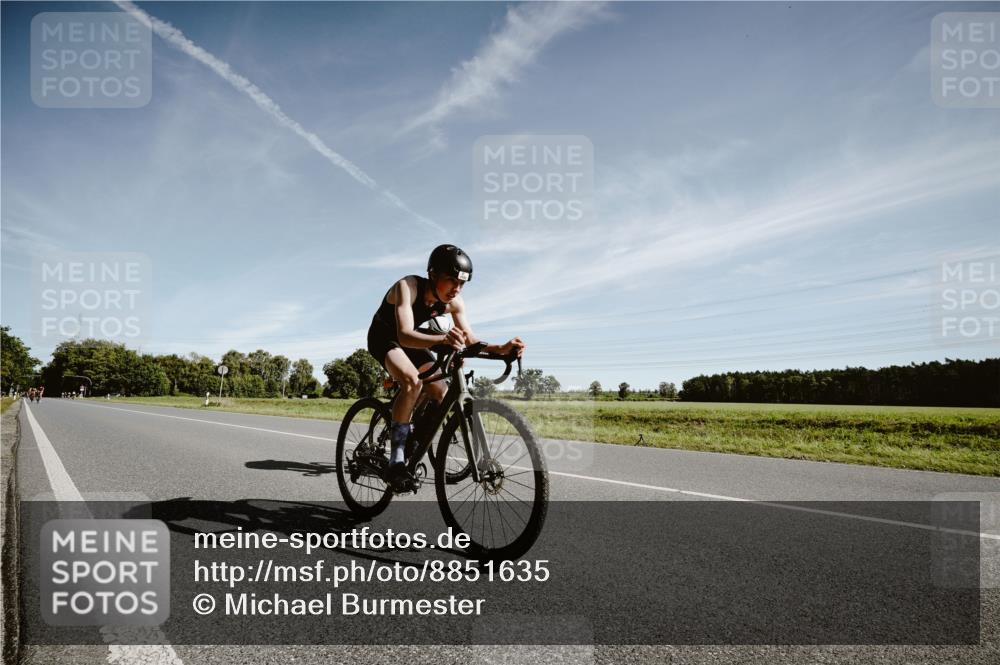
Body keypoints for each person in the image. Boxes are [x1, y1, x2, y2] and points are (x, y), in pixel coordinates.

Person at [366, 244, 524, 489]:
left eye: (462, 284)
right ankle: (396, 461)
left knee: (439, 390)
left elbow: (470, 340)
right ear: (432, 274)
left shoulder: (455, 303)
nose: (456, 289)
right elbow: (405, 334)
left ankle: (413, 439)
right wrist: (442, 339)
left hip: (415, 341)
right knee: (412, 381)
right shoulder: (407, 287)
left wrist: (500, 348)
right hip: (385, 337)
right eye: (451, 281)